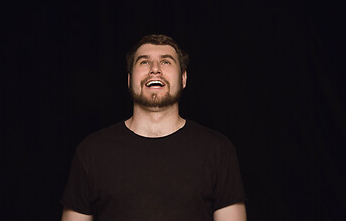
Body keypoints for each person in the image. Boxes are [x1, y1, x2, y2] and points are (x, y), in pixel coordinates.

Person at [61, 34, 247, 221]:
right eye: (144, 62)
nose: (155, 70)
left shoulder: (217, 150)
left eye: (166, 62)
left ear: (183, 78)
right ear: (129, 80)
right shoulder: (92, 151)